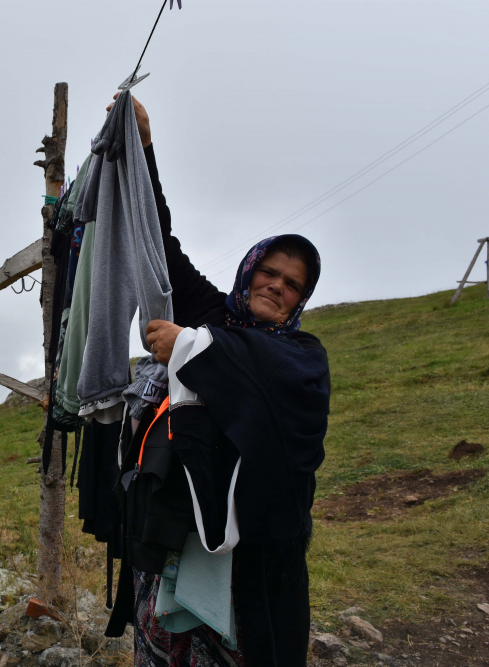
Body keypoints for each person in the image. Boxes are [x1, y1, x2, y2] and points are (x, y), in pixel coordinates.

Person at [105, 93, 331, 667]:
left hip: (257, 555)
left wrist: (187, 345)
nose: (277, 286)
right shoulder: (215, 314)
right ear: (250, 270)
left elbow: (263, 373)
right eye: (270, 272)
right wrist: (144, 150)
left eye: (293, 284)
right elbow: (161, 246)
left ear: (301, 300)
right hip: (179, 537)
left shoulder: (303, 355)